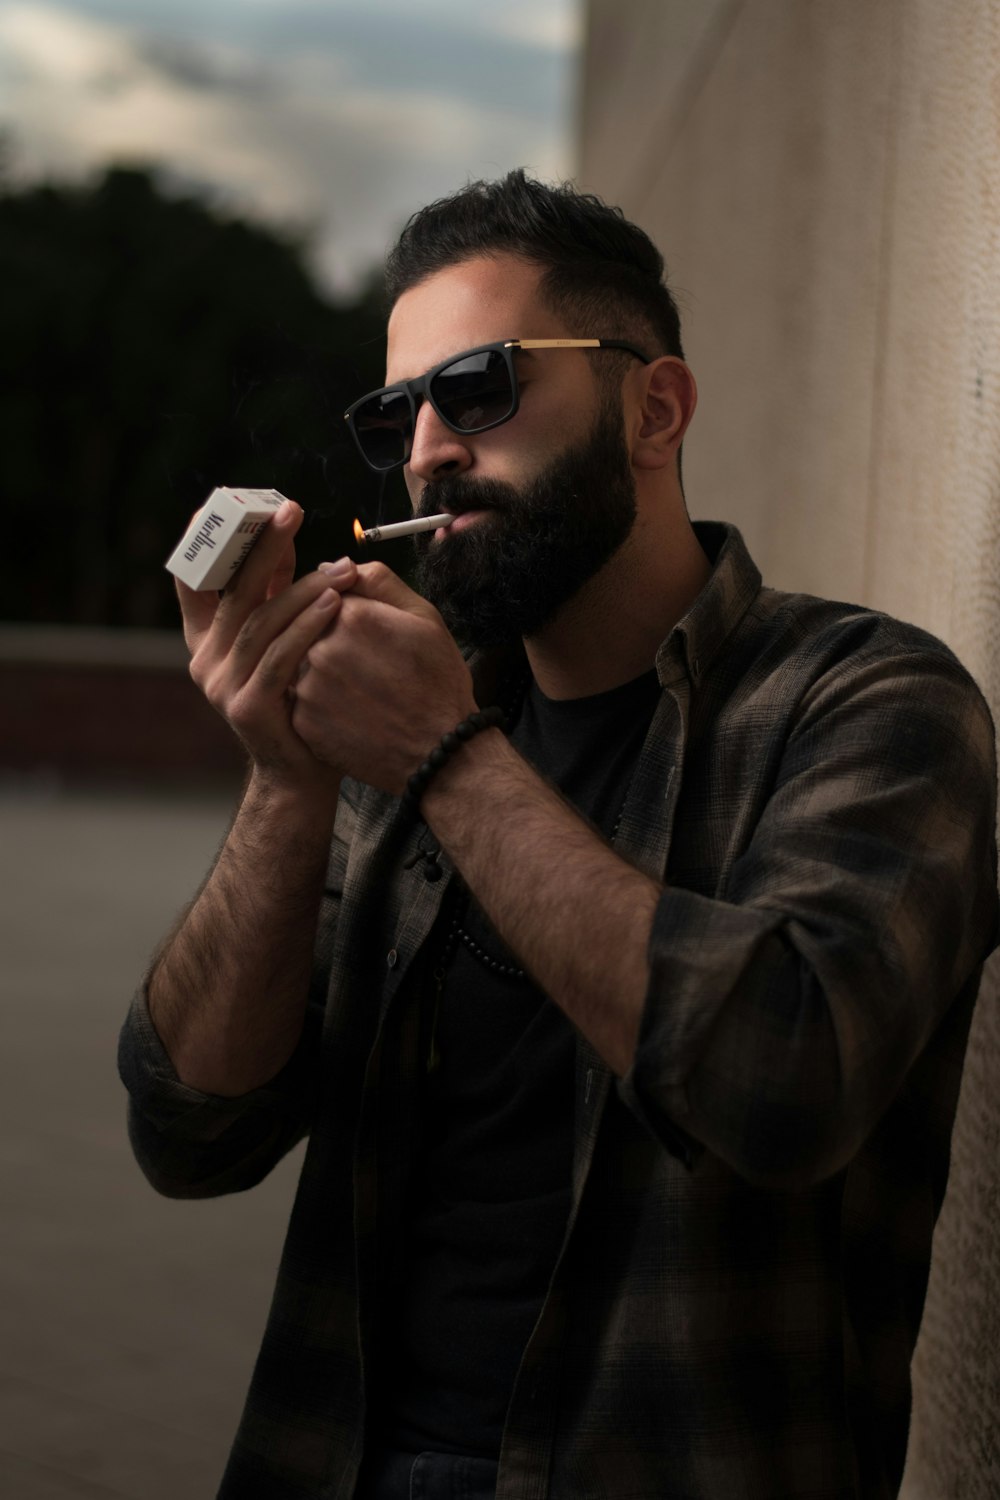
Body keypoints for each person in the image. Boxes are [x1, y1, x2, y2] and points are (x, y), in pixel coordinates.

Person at [119, 171, 999, 1500]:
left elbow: (786, 1077)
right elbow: (190, 1130)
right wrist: (286, 780)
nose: (427, 448)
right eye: (396, 413)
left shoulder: (867, 701)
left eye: (478, 389)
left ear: (654, 408)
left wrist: (440, 757)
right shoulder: (395, 737)